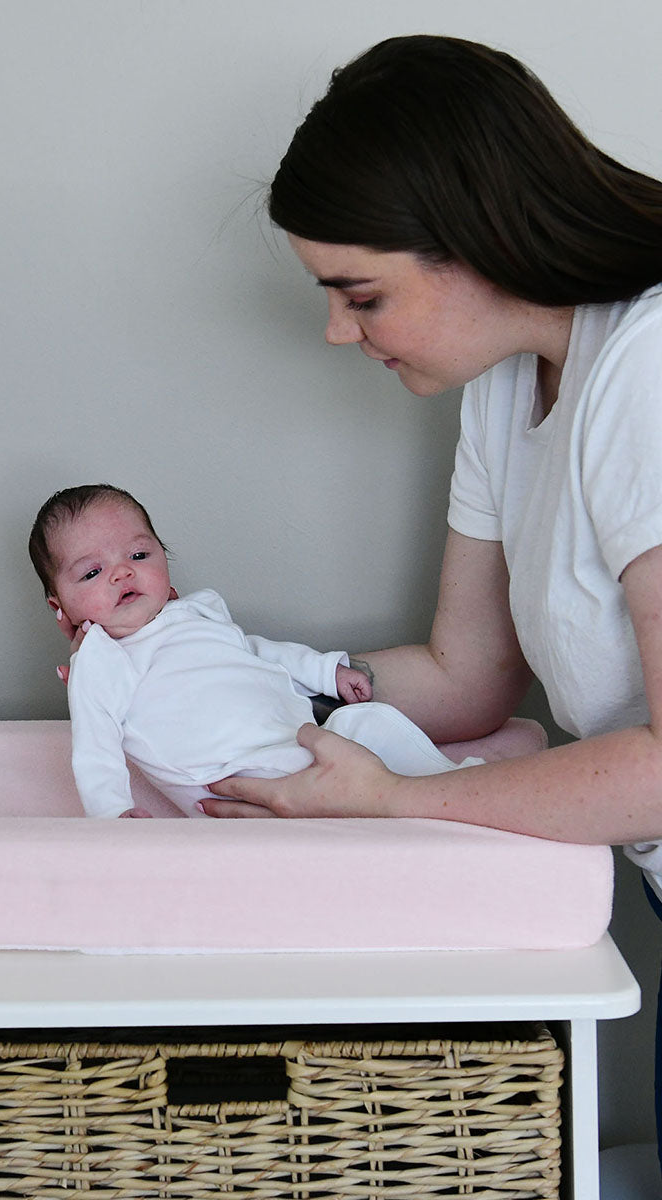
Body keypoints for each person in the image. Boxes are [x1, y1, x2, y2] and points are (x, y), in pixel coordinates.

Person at [196, 33, 662, 1164]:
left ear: (481, 244)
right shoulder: (511, 381)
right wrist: (218, 676)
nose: (336, 332)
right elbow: (466, 678)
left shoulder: (646, 373)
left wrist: (391, 803)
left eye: (361, 294)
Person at [29, 483, 478, 818]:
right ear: (60, 605)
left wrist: (326, 674)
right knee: (332, 805)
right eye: (91, 573)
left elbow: (256, 651)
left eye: (139, 556)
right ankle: (422, 822)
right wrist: (112, 812)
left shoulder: (197, 612)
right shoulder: (102, 659)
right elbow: (95, 745)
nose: (121, 574)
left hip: (293, 736)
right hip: (234, 774)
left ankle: (453, 787)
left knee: (367, 723)